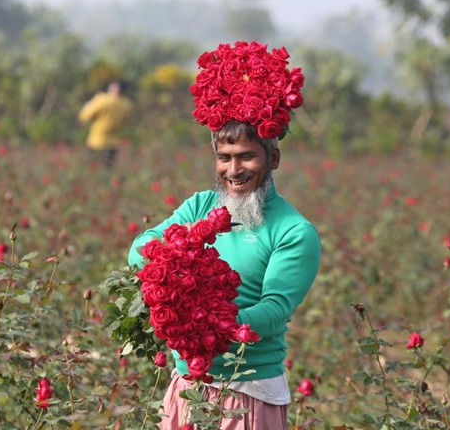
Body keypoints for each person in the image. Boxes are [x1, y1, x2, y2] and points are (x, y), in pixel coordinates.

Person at [127, 41, 320, 429]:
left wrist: (204, 322)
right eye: (224, 158)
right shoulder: (200, 206)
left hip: (247, 390)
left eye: (247, 156)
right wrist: (176, 283)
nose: (234, 170)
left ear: (273, 159)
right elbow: (140, 249)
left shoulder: (294, 231)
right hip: (187, 383)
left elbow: (272, 311)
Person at [77, 81, 133, 168]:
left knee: (91, 168)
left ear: (115, 87)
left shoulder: (102, 100)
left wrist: (92, 101)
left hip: (97, 141)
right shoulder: (127, 105)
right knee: (107, 168)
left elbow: (84, 116)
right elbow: (126, 122)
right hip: (114, 143)